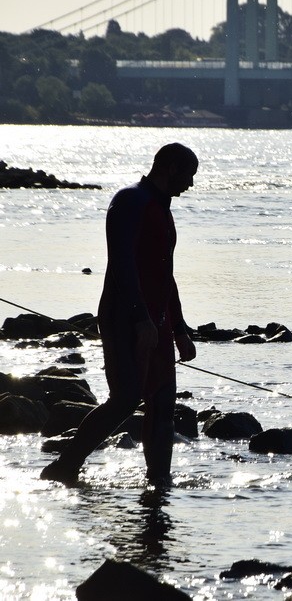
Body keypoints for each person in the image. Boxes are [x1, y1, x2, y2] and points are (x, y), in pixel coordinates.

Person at [41, 143, 199, 487]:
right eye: (189, 175)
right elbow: (123, 264)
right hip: (123, 316)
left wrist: (180, 328)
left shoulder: (162, 209)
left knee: (162, 405)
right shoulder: (131, 201)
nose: (190, 184)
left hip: (155, 323)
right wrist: (140, 317)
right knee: (126, 399)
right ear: (171, 168)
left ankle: (159, 485)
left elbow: (164, 275)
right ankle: (64, 465)